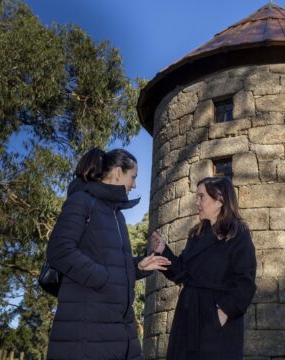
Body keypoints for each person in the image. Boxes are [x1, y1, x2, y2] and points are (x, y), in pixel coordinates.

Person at [46, 148, 170, 360]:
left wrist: (139, 266)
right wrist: (102, 278)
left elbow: (109, 263)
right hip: (87, 332)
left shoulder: (117, 216)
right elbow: (59, 251)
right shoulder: (82, 201)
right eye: (133, 177)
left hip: (117, 329)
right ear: (118, 172)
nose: (135, 184)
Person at [151, 176, 257, 360]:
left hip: (216, 320)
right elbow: (181, 272)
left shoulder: (238, 233)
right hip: (188, 315)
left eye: (201, 197)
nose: (197, 202)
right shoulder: (196, 234)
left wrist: (222, 314)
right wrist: (163, 251)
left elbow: (245, 282)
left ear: (219, 200)